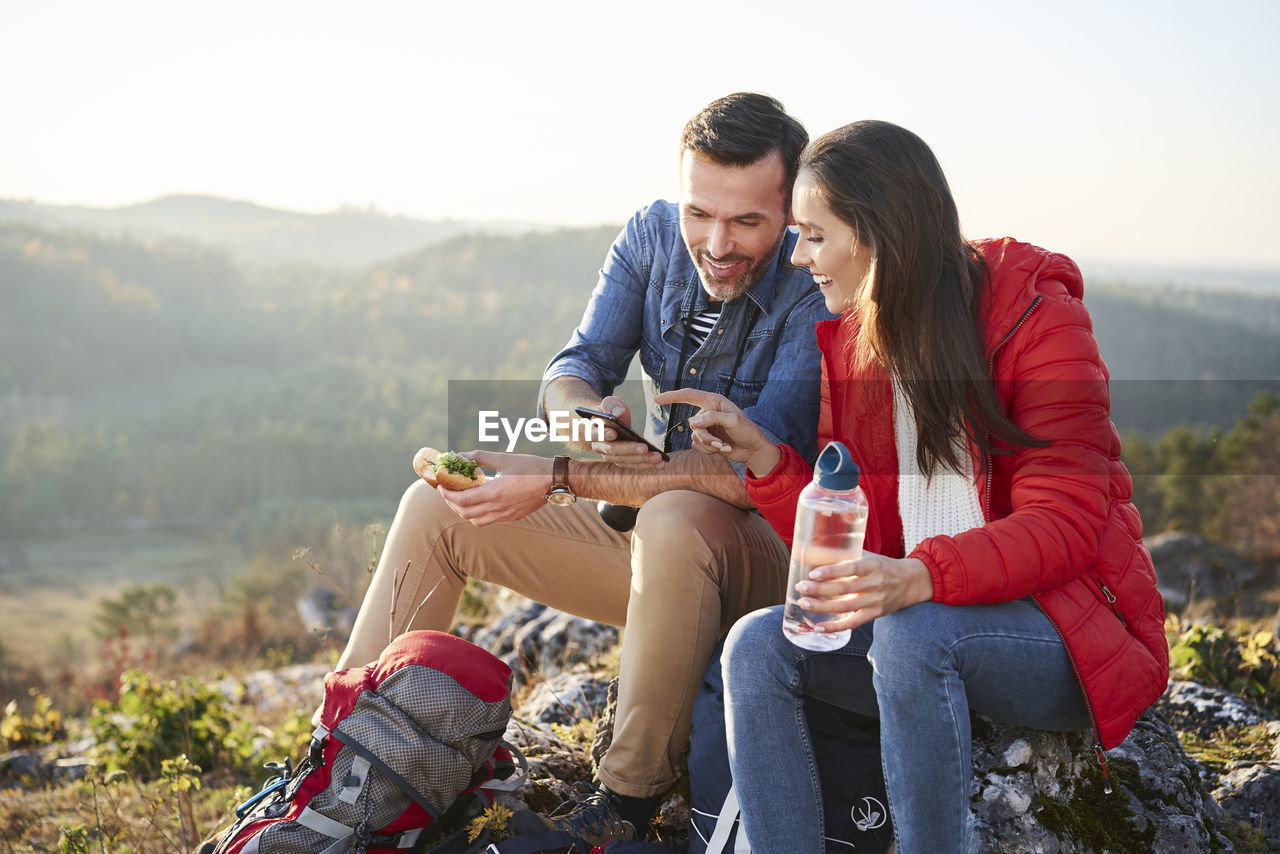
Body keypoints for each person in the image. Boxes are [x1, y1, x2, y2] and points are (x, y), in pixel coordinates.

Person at [331, 93, 834, 843]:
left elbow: (755, 478)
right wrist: (576, 416)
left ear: (791, 214)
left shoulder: (815, 282)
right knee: (435, 506)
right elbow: (576, 364)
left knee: (675, 511)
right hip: (664, 570)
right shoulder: (651, 235)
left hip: (770, 575)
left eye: (747, 222)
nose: (717, 242)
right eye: (701, 213)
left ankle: (624, 805)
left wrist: (563, 473)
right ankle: (341, 756)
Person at [656, 120, 1169, 853]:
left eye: (814, 236)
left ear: (877, 235)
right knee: (757, 646)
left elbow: (1066, 526)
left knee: (909, 633)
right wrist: (767, 461)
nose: (799, 258)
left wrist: (921, 577)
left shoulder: (1038, 320)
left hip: (1064, 637)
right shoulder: (858, 346)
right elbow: (863, 530)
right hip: (933, 628)